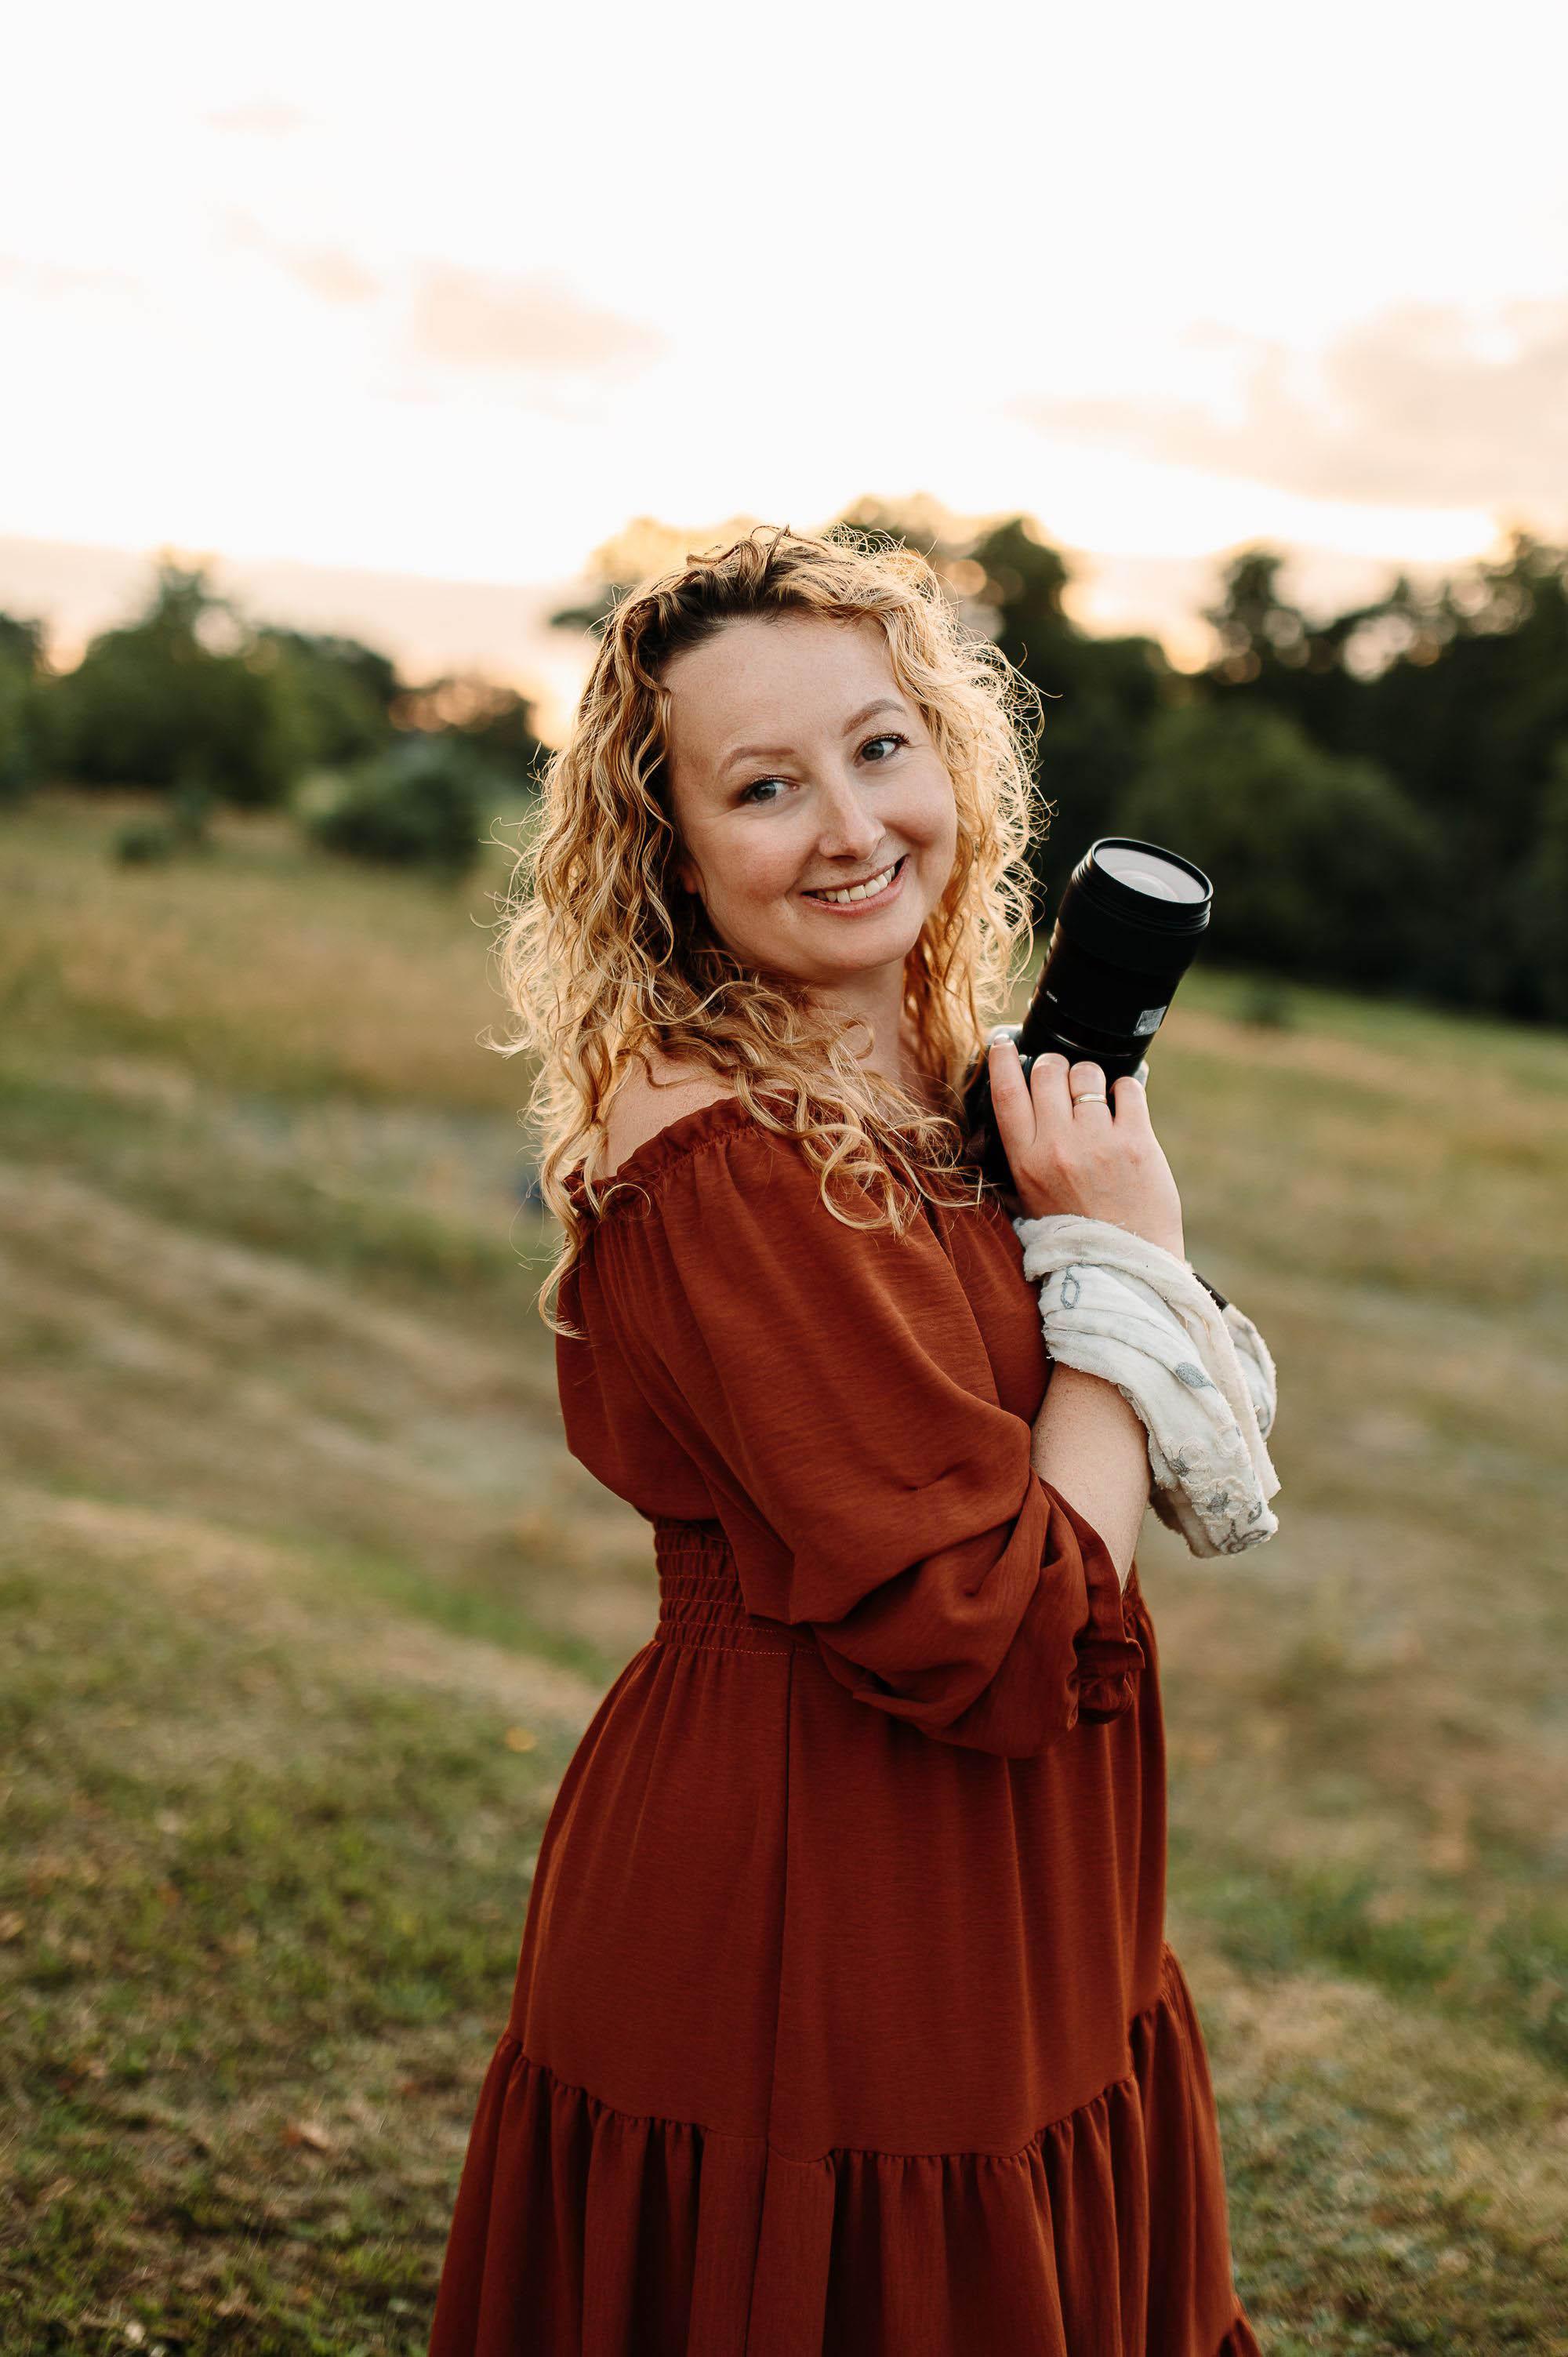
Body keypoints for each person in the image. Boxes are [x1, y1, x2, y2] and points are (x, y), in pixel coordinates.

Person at [427, 525, 1262, 2355]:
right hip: (824, 1871)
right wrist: (1124, 1271)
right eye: (764, 785)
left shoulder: (931, 1078)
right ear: (670, 848)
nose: (849, 825)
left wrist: (1082, 1223)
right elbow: (994, 1616)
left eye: (882, 747)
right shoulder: (716, 1151)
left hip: (1024, 1863)